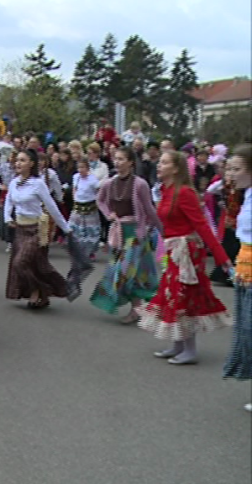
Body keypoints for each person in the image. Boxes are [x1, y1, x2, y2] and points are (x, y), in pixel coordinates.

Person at [138, 150, 232, 365]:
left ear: (176, 168)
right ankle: (178, 344)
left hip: (188, 252)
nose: (159, 166)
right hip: (174, 250)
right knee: (172, 295)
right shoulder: (166, 191)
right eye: (159, 162)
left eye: (164, 162)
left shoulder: (185, 192)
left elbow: (201, 225)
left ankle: (190, 350)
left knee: (184, 297)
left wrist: (221, 257)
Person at [90, 146, 161, 322]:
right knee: (132, 274)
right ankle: (137, 309)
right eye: (116, 158)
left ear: (131, 162)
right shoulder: (109, 183)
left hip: (135, 233)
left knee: (125, 272)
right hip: (118, 232)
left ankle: (143, 308)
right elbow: (99, 200)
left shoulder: (140, 184)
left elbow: (149, 209)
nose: (117, 162)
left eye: (122, 159)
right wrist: (109, 215)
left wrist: (163, 230)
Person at [4, 149, 71, 309]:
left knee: (21, 262)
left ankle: (40, 289)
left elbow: (52, 206)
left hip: (37, 229)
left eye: (23, 160)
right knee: (29, 264)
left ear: (31, 164)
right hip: (20, 229)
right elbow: (9, 202)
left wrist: (66, 229)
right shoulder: (14, 182)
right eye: (17, 160)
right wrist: (7, 218)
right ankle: (39, 291)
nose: (18, 163)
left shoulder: (38, 183)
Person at [221, 144, 252, 411]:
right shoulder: (246, 196)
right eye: (229, 168)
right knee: (246, 331)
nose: (231, 174)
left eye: (237, 169)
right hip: (244, 272)